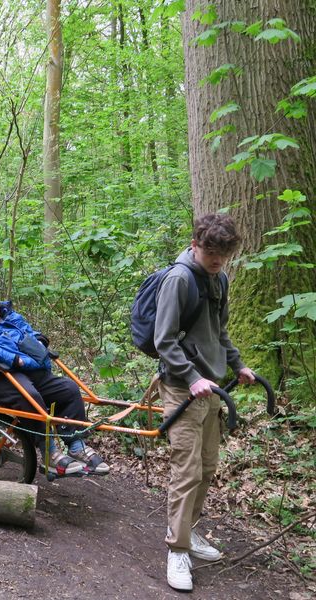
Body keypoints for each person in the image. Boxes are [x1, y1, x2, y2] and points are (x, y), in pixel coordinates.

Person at [155, 213, 254, 593]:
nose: (217, 261)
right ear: (196, 245)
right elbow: (165, 340)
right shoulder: (179, 280)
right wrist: (193, 378)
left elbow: (219, 331)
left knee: (208, 466)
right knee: (187, 470)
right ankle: (177, 549)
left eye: (223, 255)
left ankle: (189, 532)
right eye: (211, 253)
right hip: (183, 388)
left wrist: (238, 364)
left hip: (210, 387)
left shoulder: (220, 278)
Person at [0, 285, 109, 478]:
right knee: (30, 396)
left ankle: (76, 445)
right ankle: (50, 454)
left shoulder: (8, 316)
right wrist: (12, 358)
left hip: (27, 370)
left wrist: (39, 342)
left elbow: (29, 332)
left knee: (68, 389)